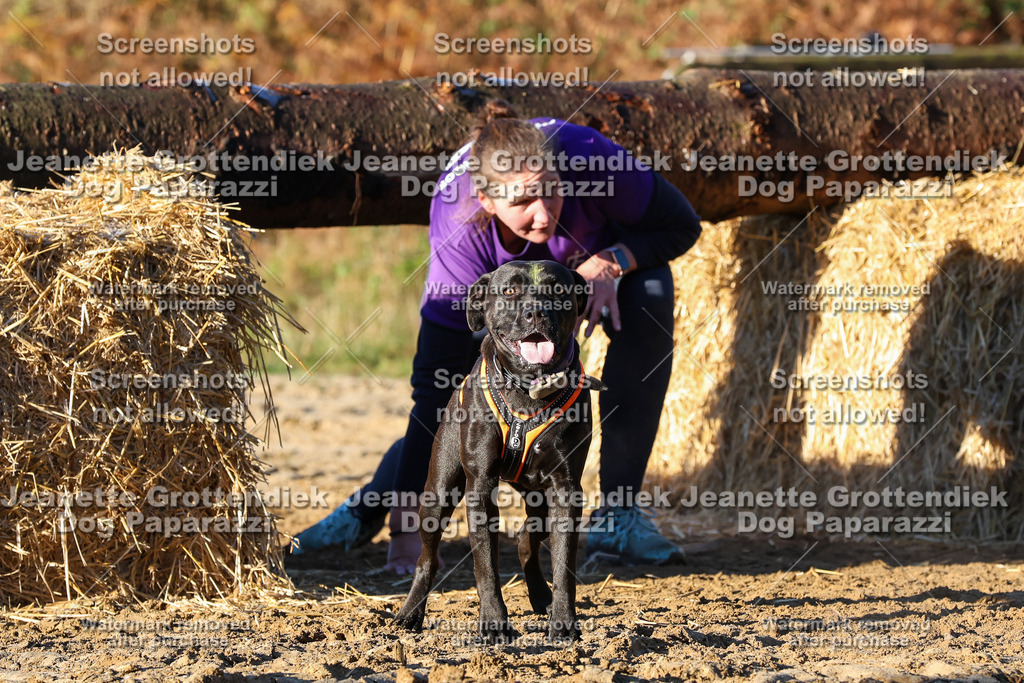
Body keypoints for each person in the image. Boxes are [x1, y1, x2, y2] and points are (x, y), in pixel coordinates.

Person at [290, 104, 703, 573]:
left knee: (650, 290)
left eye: (552, 192)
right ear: (486, 200)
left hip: (596, 267)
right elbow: (434, 393)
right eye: (523, 201)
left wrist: (612, 260)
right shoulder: (459, 227)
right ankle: (367, 510)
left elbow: (683, 225)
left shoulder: (592, 158)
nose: (544, 215)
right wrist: (409, 536)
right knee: (459, 398)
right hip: (498, 281)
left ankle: (620, 515)